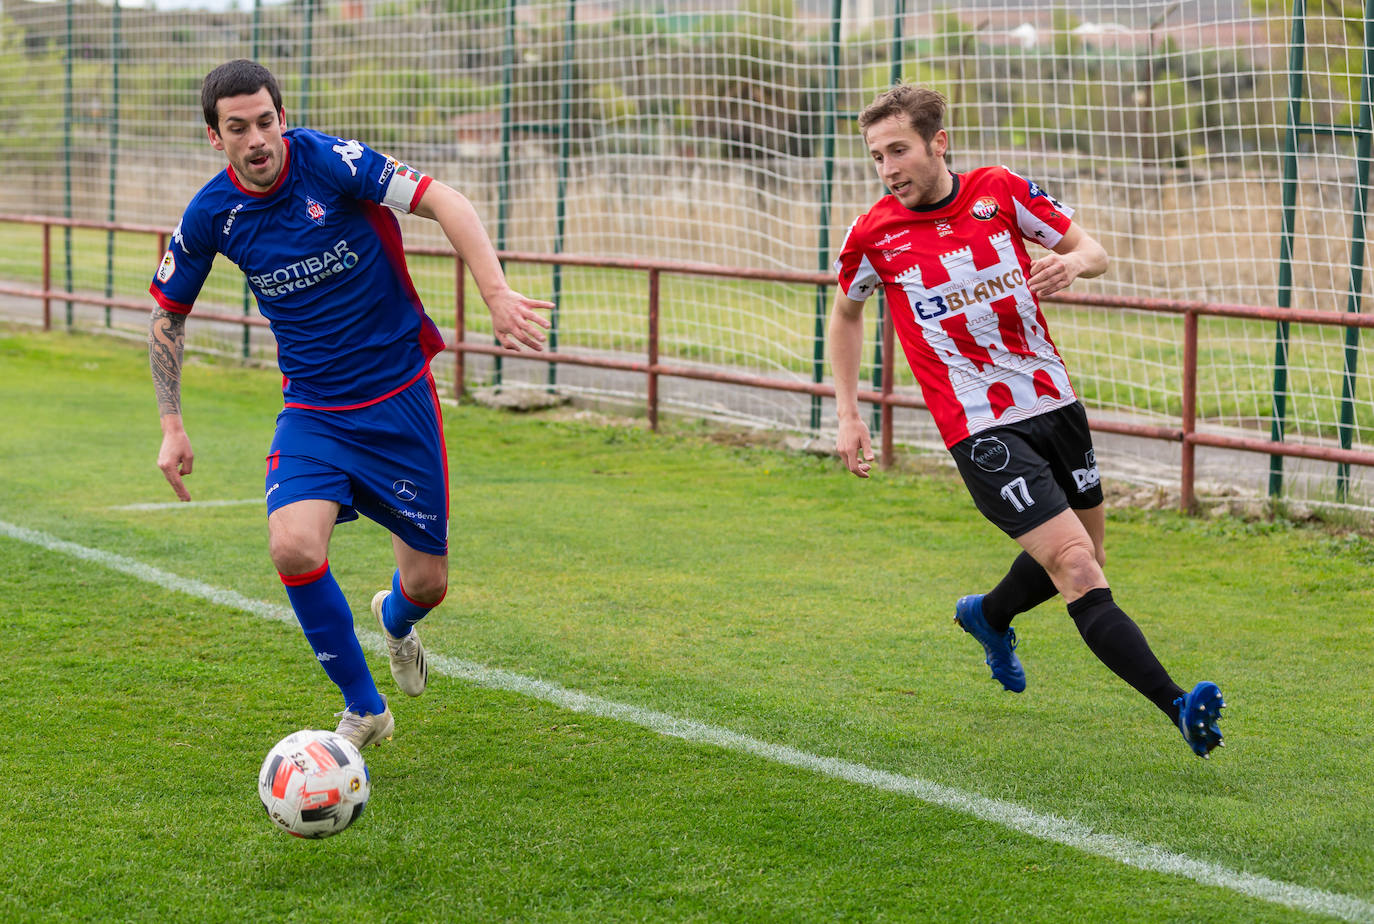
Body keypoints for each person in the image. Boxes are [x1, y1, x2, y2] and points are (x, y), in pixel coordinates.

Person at [148, 59, 552, 750]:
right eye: (238, 128)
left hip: (400, 401)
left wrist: (495, 294)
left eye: (267, 122)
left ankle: (394, 621)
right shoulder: (211, 214)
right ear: (215, 137)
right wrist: (172, 425)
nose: (258, 141)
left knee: (427, 584)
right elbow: (166, 317)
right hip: (313, 411)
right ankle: (365, 709)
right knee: (292, 545)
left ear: (283, 117)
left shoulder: (333, 162)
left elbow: (444, 199)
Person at [828, 85, 1225, 758]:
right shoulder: (874, 234)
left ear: (937, 143)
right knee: (1076, 567)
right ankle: (1180, 707)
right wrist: (847, 413)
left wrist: (1068, 264)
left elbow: (1093, 250)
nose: (888, 168)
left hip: (1055, 403)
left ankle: (988, 614)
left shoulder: (999, 191)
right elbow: (845, 313)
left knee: (1087, 556)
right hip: (979, 426)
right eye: (876, 156)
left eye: (898, 150)